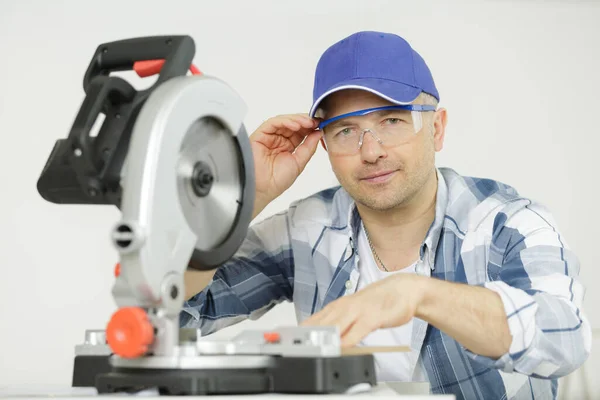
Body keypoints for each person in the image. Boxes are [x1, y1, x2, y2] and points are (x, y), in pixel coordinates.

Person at [181, 31, 591, 399]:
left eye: (392, 121)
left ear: (437, 129)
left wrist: (418, 294)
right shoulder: (304, 231)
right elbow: (178, 313)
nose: (370, 151)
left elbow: (566, 338)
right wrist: (243, 196)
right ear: (323, 145)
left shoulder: (508, 224)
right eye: (345, 130)